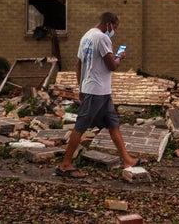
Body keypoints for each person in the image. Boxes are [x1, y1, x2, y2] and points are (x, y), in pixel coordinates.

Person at [55, 12, 146, 178]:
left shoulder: (86, 37)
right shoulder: (103, 38)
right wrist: (120, 57)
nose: (114, 31)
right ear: (109, 24)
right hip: (96, 91)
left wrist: (81, 87)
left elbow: (79, 65)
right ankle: (65, 164)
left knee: (113, 123)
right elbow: (112, 65)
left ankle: (127, 160)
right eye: (114, 28)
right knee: (81, 126)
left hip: (100, 91)